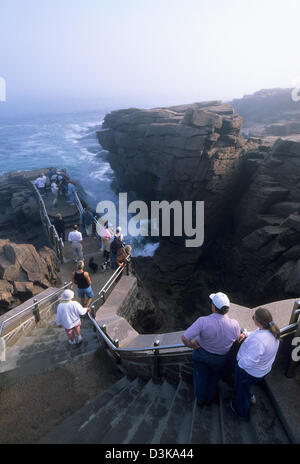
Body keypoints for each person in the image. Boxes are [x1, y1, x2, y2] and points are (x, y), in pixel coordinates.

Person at [181, 292, 240, 407]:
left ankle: (200, 399)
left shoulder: (203, 321)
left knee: (200, 377)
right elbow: (237, 338)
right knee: (214, 377)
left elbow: (184, 338)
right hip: (220, 358)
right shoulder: (234, 324)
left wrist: (193, 346)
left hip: (202, 354)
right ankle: (210, 398)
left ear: (213, 307)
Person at [229, 307, 280, 421]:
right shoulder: (271, 331)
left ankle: (241, 411)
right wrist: (246, 334)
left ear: (258, 321)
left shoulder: (260, 341)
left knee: (241, 390)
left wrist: (239, 363)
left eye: (253, 318)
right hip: (261, 370)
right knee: (246, 386)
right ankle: (250, 396)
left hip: (248, 372)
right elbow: (257, 332)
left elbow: (251, 361)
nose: (253, 319)